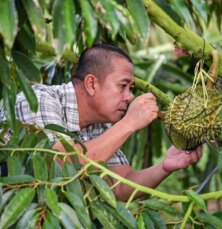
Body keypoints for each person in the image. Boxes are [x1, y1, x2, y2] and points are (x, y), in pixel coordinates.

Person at [0, 44, 202, 201]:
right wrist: (129, 124)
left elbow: (120, 187)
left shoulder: (100, 124)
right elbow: (58, 163)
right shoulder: (37, 101)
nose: (128, 97)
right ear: (91, 84)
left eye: (130, 88)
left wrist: (166, 167)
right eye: (123, 86)